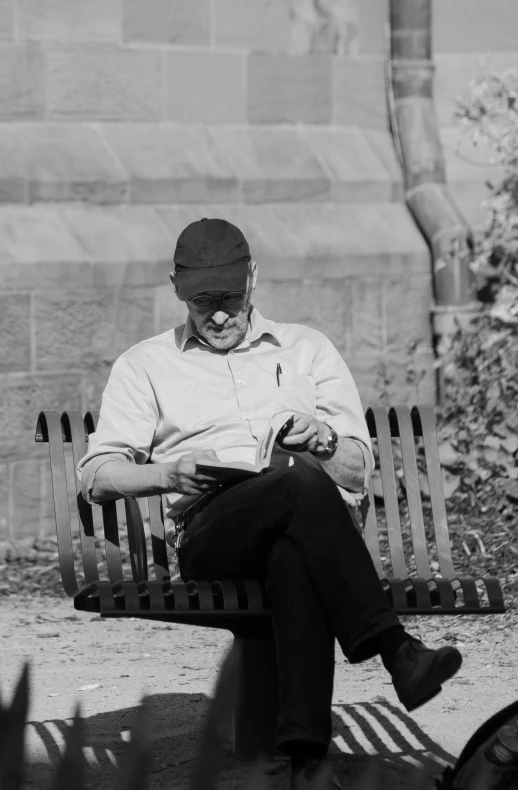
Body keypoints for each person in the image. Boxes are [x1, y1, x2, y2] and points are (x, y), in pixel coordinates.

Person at [77, 218, 463, 790]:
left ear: (253, 279)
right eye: (202, 301)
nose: (219, 314)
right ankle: (394, 648)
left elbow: (358, 468)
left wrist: (325, 442)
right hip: (213, 531)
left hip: (305, 525)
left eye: (230, 297)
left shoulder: (308, 349)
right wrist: (169, 471)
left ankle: (305, 758)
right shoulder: (146, 365)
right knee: (295, 487)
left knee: (293, 545)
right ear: (177, 289)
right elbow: (97, 475)